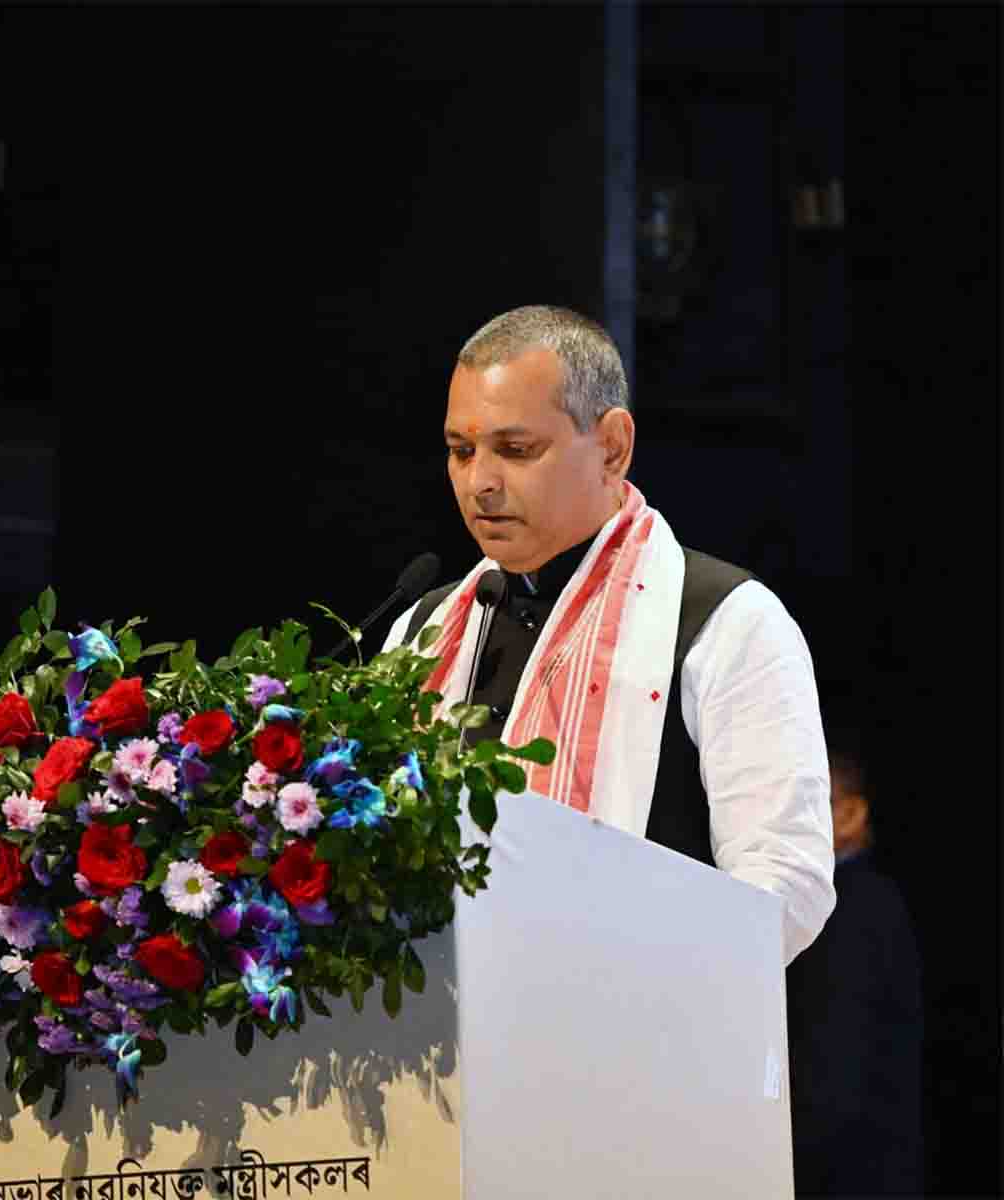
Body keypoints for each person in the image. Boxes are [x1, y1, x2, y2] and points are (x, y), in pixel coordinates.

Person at [381, 305, 835, 964]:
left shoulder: (726, 622)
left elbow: (786, 888)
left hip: (642, 1017)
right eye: (461, 451)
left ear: (613, 447)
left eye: (516, 450)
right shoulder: (425, 625)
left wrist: (616, 977)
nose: (480, 482)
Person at [786, 742, 924, 1197]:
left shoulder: (855, 905)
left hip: (848, 1174)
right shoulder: (863, 899)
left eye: (810, 803)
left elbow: (833, 1070)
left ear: (851, 816)